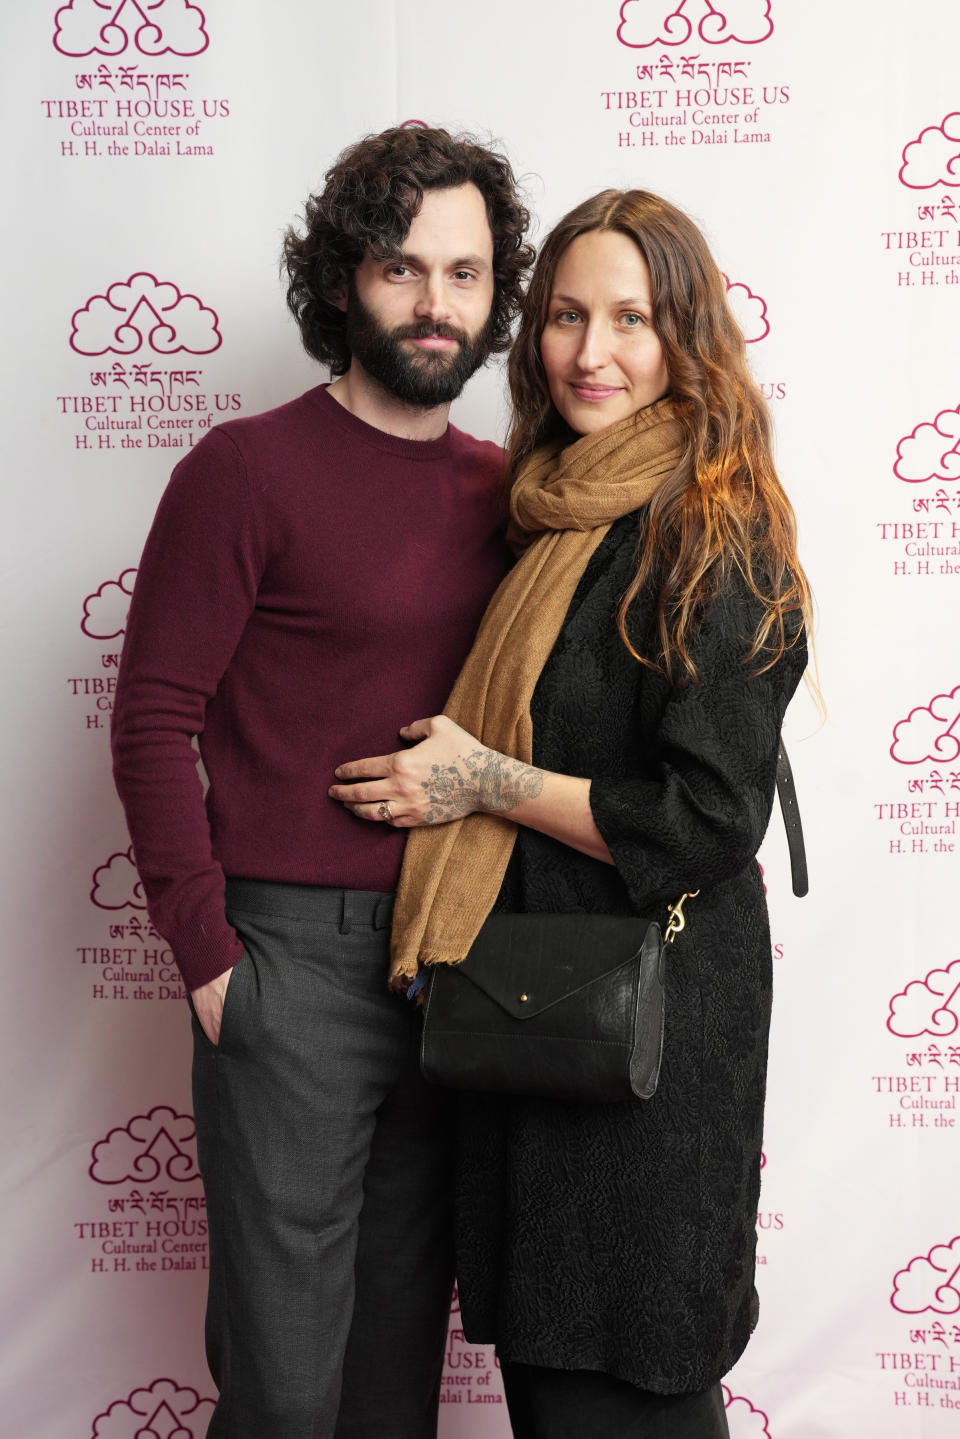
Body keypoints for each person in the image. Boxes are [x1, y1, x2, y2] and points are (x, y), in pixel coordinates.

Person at [328, 188, 813, 1437]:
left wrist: (482, 777)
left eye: (632, 319)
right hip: (534, 1014)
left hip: (648, 1036)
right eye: (564, 316)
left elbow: (705, 819)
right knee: (557, 1376)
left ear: (686, 336)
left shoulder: (718, 526)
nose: (590, 352)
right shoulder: (556, 511)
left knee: (632, 1374)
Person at [111, 124, 533, 1439]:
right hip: (286, 959)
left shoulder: (515, 494)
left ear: (495, 293)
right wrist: (211, 956)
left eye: (465, 274)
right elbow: (150, 716)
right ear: (343, 278)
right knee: (287, 1386)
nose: (434, 302)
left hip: (453, 962)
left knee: (393, 1379)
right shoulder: (243, 472)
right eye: (403, 268)